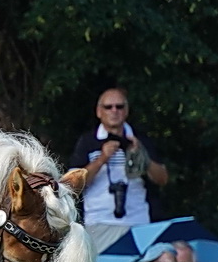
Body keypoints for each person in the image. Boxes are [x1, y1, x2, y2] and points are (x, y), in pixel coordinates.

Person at [66, 88, 166, 234]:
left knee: (172, 255)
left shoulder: (140, 140)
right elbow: (72, 185)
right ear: (99, 112)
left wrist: (142, 157)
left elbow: (162, 179)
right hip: (100, 223)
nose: (114, 111)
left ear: (126, 111)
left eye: (119, 107)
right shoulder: (88, 141)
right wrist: (102, 159)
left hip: (139, 222)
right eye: (108, 107)